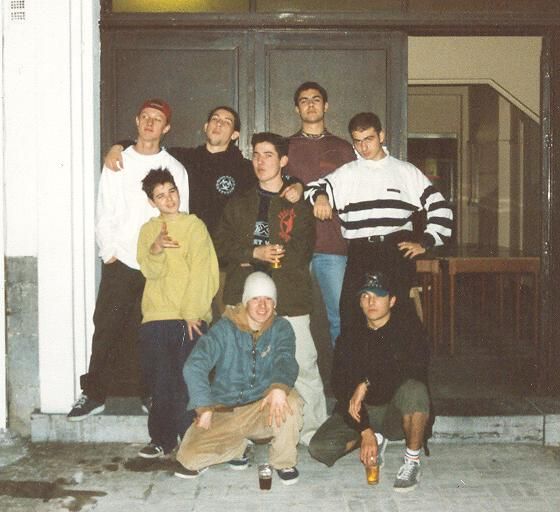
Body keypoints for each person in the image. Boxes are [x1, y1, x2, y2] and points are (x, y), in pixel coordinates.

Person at [104, 106, 299, 316]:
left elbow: (278, 178)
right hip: (188, 261)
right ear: (206, 126)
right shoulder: (183, 158)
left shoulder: (244, 167)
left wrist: (298, 185)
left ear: (235, 135)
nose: (219, 124)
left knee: (227, 323)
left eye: (226, 122)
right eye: (215, 119)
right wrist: (118, 146)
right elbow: (148, 146)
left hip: (228, 264)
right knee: (191, 321)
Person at [67, 98, 189, 421]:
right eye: (145, 116)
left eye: (157, 119)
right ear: (137, 121)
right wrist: (108, 252)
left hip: (157, 264)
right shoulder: (117, 161)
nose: (150, 123)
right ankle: (94, 394)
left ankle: (150, 392)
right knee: (106, 327)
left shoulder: (175, 168)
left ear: (166, 128)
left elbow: (181, 215)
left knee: (152, 331)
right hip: (120, 259)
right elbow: (104, 208)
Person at [214, 132, 327, 445]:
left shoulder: (297, 204)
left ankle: (313, 430)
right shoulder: (239, 203)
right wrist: (253, 253)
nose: (260, 161)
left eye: (268, 155)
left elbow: (302, 250)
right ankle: (244, 434)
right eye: (256, 155)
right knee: (240, 366)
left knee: (303, 363)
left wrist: (268, 259)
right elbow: (220, 245)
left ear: (283, 161)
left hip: (289, 297)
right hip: (243, 298)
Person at [305, 111, 453, 335]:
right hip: (360, 253)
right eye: (358, 141)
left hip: (395, 251)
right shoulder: (347, 174)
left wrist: (426, 242)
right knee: (352, 317)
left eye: (369, 139)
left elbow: (440, 207)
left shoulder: (406, 171)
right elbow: (312, 188)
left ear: (381, 136)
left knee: (398, 319)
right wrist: (322, 197)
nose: (363, 147)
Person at [174, 272, 303, 485]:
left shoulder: (281, 327)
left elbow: (286, 359)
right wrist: (204, 407)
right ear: (245, 302)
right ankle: (237, 447)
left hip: (262, 407)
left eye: (268, 299)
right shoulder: (224, 328)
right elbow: (194, 365)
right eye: (256, 299)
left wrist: (278, 387)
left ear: (275, 303)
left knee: (291, 400)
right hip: (226, 410)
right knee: (188, 459)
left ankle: (283, 461)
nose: (262, 306)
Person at [308, 271, 430, 492]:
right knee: (320, 448)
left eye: (378, 295)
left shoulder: (409, 330)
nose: (371, 302)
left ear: (392, 301)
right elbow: (341, 385)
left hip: (394, 412)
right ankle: (375, 439)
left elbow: (411, 369)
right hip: (362, 412)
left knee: (416, 390)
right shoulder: (349, 336)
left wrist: (366, 383)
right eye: (365, 296)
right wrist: (365, 431)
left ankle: (412, 461)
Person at [136, 168, 218, 458]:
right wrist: (156, 248)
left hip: (189, 317)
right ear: (152, 202)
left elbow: (204, 272)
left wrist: (193, 311)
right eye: (160, 196)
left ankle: (190, 440)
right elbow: (150, 271)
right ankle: (162, 439)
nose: (169, 199)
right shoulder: (147, 230)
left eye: (172, 191)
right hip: (156, 317)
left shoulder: (195, 226)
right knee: (160, 381)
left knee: (188, 380)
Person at [286, 82, 355, 346]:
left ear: (326, 106)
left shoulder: (343, 148)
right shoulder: (286, 147)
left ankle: (344, 370)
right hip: (295, 246)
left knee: (340, 317)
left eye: (316, 99)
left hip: (333, 245)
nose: (310, 104)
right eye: (304, 100)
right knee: (291, 316)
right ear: (297, 109)